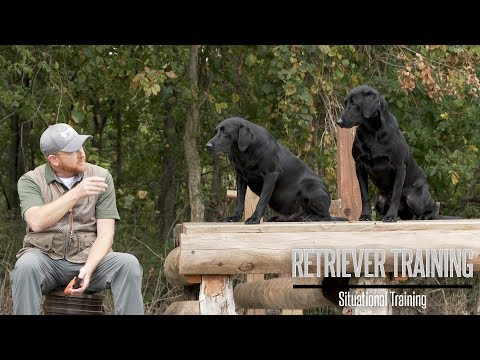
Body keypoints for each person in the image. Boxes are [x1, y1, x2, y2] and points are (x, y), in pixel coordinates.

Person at [11, 123, 144, 315]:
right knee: (25, 267)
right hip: (46, 260)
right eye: (73, 150)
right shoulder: (31, 180)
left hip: (89, 260)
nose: (82, 153)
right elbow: (36, 221)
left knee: (128, 264)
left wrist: (87, 271)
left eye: (81, 146)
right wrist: (77, 193)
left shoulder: (101, 176)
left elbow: (106, 235)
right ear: (54, 160)